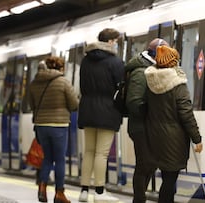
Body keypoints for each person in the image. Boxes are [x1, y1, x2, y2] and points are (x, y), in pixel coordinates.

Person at [144, 45, 203, 203]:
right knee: (169, 181)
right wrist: (197, 139)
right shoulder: (178, 85)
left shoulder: (150, 82)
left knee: (166, 178)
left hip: (155, 136)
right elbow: (186, 114)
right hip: (173, 139)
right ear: (174, 61)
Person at [77, 28, 124, 202]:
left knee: (88, 151)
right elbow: (121, 87)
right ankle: (99, 192)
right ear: (110, 42)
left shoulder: (85, 61)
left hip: (87, 108)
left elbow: (82, 87)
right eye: (116, 41)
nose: (116, 44)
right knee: (101, 153)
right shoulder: (115, 62)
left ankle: (83, 191)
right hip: (107, 110)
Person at [125, 38, 170, 203]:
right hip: (140, 127)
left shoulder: (152, 68)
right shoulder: (140, 72)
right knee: (145, 164)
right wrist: (152, 112)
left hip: (149, 127)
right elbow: (134, 102)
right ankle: (139, 199)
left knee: (149, 164)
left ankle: (140, 198)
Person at [29, 56, 79, 203]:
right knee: (59, 160)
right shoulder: (63, 82)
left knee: (47, 158)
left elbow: (31, 104)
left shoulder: (34, 83)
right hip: (59, 125)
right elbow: (74, 104)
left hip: (41, 125)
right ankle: (59, 193)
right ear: (60, 68)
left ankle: (42, 188)